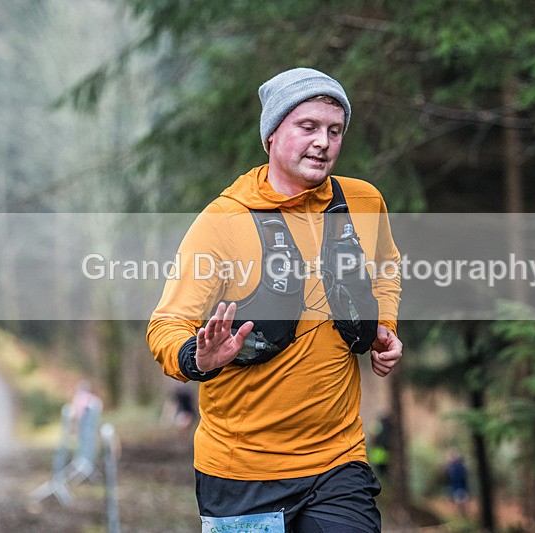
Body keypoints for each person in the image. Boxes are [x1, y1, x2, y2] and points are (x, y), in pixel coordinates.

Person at [147, 67, 403, 532]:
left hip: (338, 461)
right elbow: (166, 324)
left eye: (334, 130)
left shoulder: (363, 202)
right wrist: (197, 357)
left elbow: (387, 266)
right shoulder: (224, 222)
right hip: (241, 471)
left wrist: (384, 325)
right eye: (308, 127)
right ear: (271, 134)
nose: (323, 142)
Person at [444, 449, 469, 516]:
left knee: (460, 500)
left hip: (460, 485)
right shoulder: (451, 467)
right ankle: (460, 513)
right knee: (458, 500)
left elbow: (463, 477)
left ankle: (461, 513)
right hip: (455, 486)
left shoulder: (458, 467)